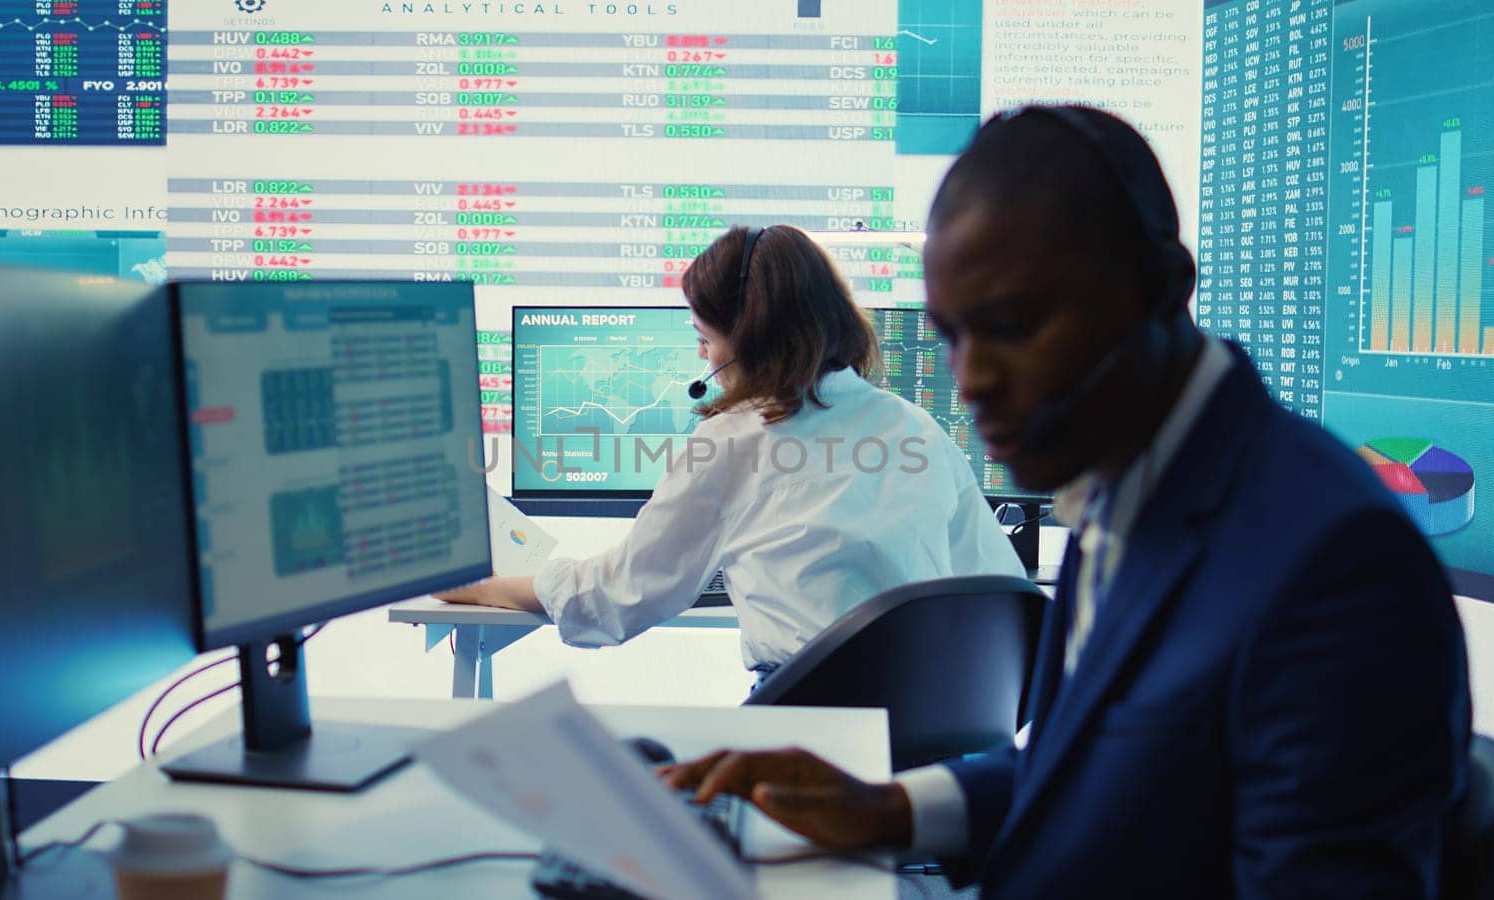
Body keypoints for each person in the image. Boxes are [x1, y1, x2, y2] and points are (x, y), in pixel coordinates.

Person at [661, 106, 1473, 896]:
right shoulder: (1126, 482)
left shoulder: (1335, 567)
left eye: (1013, 324)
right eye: (952, 335)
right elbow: (1087, 771)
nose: (970, 380)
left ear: (1163, 286)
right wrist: (888, 806)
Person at [440, 224, 1024, 682]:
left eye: (704, 339)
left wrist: (494, 585)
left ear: (744, 340)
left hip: (805, 727)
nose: (703, 358)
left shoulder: (735, 438)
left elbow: (620, 596)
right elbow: (1001, 589)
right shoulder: (916, 427)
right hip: (936, 731)